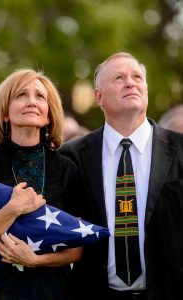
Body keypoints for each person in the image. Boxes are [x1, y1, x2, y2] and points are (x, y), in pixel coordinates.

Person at [60, 52, 183, 300]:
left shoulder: (181, 150)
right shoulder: (71, 157)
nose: (130, 82)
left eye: (137, 77)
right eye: (119, 78)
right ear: (98, 97)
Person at [0, 69, 83, 300]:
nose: (31, 102)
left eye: (40, 96)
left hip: (53, 292)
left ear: (48, 115)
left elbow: (77, 249)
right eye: (21, 95)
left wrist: (34, 260)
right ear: (5, 113)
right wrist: (13, 208)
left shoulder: (67, 169)